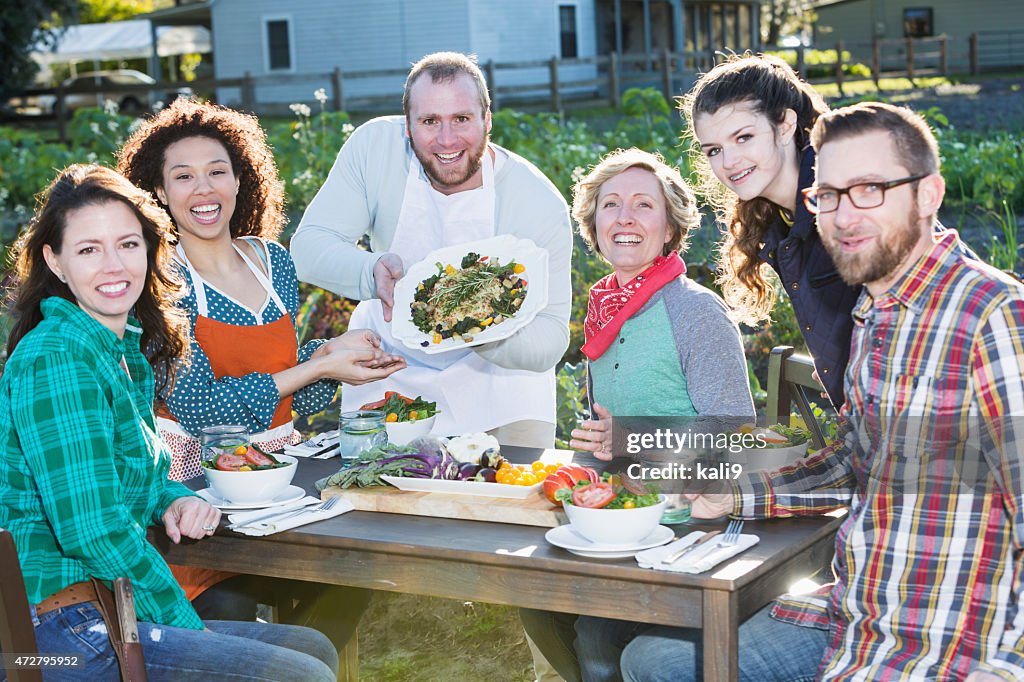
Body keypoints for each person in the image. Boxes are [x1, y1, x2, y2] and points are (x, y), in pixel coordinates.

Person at [580, 103, 1024, 681]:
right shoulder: (874, 314)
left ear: (930, 194)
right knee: (649, 660)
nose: (842, 215)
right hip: (856, 606)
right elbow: (848, 462)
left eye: (869, 189)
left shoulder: (993, 316)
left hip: (948, 635)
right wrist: (733, 495)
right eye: (828, 196)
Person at [0, 164, 338, 680]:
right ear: (56, 262)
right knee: (298, 674)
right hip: (53, 632)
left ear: (151, 250)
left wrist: (173, 497)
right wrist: (186, 624)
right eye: (89, 249)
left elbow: (132, 474)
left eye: (128, 245)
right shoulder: (58, 356)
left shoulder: (121, 351)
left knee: (315, 648)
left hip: (103, 607)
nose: (113, 265)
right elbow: (92, 530)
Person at [116, 98, 400, 651]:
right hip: (198, 486)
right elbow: (200, 409)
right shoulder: (158, 282)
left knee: (360, 571)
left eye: (217, 171)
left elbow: (282, 383)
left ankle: (301, 659)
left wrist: (338, 359)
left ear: (240, 180)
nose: (204, 190)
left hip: (281, 471)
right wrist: (320, 364)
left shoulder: (271, 262)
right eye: (183, 177)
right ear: (156, 192)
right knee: (233, 605)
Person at [521, 149, 756, 682]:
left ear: (670, 227)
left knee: (600, 633)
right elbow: (600, 435)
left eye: (643, 205)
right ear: (594, 224)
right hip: (615, 518)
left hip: (687, 521)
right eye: (610, 205)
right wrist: (575, 478)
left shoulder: (695, 311)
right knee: (530, 593)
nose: (624, 217)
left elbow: (736, 434)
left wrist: (628, 441)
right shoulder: (606, 306)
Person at [291, 51, 573, 448]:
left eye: (462, 119)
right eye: (429, 121)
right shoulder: (374, 149)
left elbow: (551, 338)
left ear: (487, 119)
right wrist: (370, 271)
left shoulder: (537, 203)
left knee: (503, 502)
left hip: (501, 384)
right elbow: (308, 247)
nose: (446, 140)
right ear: (407, 126)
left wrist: (480, 327)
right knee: (380, 503)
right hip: (390, 367)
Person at [683, 53, 859, 410]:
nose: (728, 162)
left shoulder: (845, 199)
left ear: (784, 125)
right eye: (714, 150)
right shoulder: (778, 221)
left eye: (744, 137)